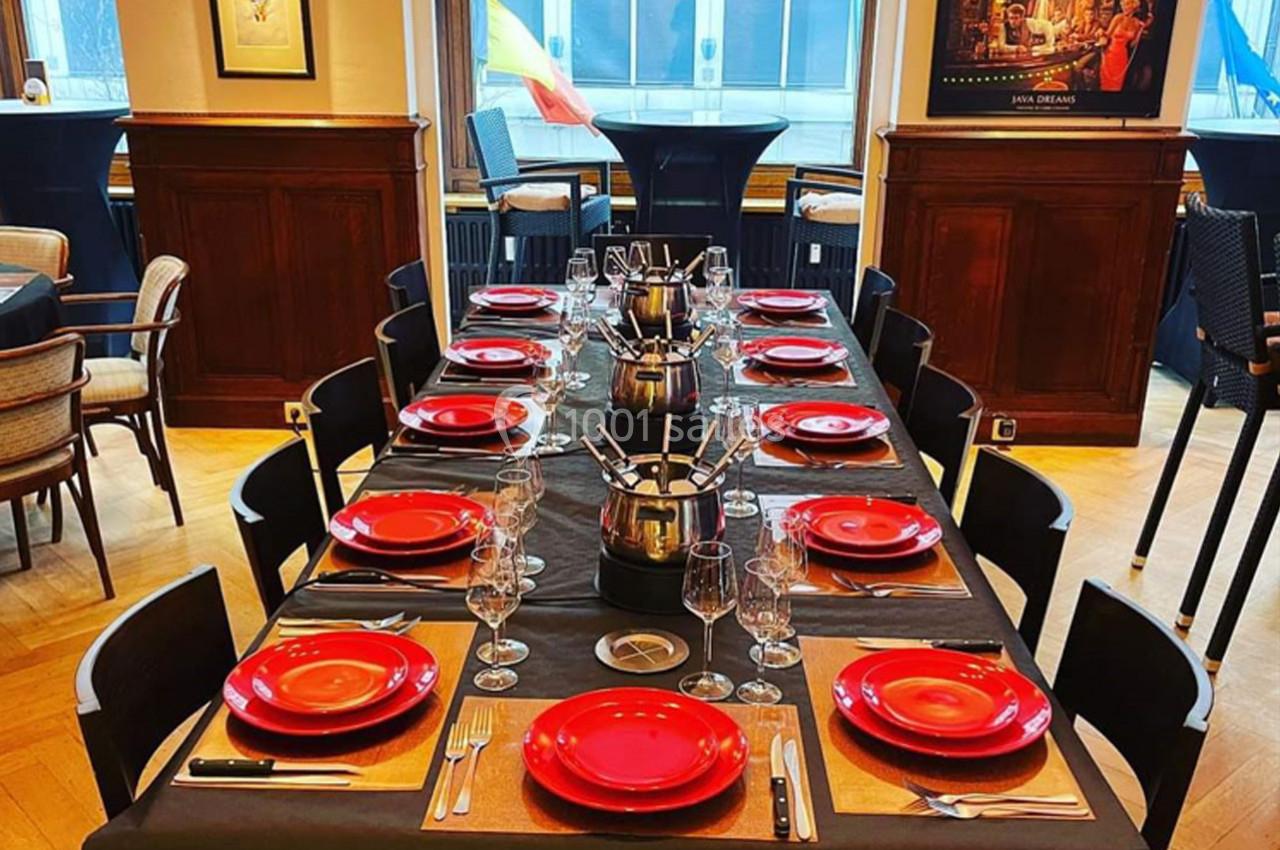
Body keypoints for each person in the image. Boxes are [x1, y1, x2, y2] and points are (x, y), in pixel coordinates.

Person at [1099, 0, 1149, 91]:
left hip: (1122, 56)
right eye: (1123, 5)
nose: (1124, 7)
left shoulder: (1136, 23)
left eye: (1127, 4)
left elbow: (1133, 44)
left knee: (1117, 85)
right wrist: (1101, 33)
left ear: (1134, 6)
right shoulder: (1117, 18)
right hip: (1110, 54)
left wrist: (1140, 31)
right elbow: (1107, 34)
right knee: (1106, 84)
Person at [991, 3, 1058, 56]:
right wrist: (1016, 48)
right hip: (1009, 58)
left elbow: (1047, 25)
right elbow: (1001, 46)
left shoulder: (1029, 23)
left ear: (1022, 18)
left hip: (1025, 57)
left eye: (1016, 18)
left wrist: (1049, 42)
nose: (1013, 21)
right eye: (1011, 18)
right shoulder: (1004, 26)